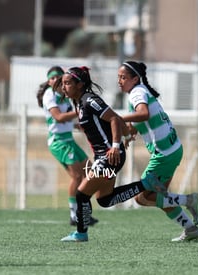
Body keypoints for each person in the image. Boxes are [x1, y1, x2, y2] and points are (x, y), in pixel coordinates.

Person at [59, 66, 166, 242]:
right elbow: (106, 122)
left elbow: (114, 118)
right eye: (63, 84)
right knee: (105, 199)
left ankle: (81, 233)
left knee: (81, 194)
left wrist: (116, 145)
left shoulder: (89, 100)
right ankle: (147, 183)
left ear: (79, 85)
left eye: (68, 83)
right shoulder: (79, 103)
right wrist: (126, 133)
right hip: (106, 156)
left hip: (109, 156)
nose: (64, 87)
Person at [118, 60, 198, 242]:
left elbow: (143, 114)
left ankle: (189, 200)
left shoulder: (137, 93)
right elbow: (139, 123)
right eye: (118, 77)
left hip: (164, 154)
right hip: (172, 150)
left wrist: (117, 118)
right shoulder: (140, 91)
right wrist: (127, 135)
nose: (120, 81)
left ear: (135, 79)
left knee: (141, 197)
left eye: (123, 77)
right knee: (159, 196)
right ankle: (190, 228)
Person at [36, 66, 98, 226]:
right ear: (48, 81)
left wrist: (81, 126)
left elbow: (69, 118)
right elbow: (58, 117)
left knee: (91, 172)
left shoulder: (64, 95)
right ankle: (74, 214)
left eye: (58, 76)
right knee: (77, 177)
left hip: (68, 140)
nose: (56, 79)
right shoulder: (50, 95)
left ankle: (83, 211)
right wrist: (82, 111)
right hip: (58, 142)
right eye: (52, 77)